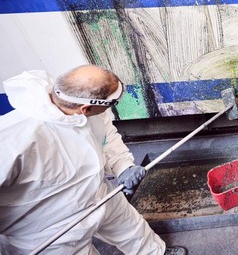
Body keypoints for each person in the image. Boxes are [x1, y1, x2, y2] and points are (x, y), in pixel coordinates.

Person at [0, 65, 186, 255]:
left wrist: (123, 166)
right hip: (49, 228)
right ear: (85, 109)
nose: (109, 110)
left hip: (100, 194)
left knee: (131, 229)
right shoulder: (12, 139)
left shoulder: (85, 107)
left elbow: (107, 137)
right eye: (110, 104)